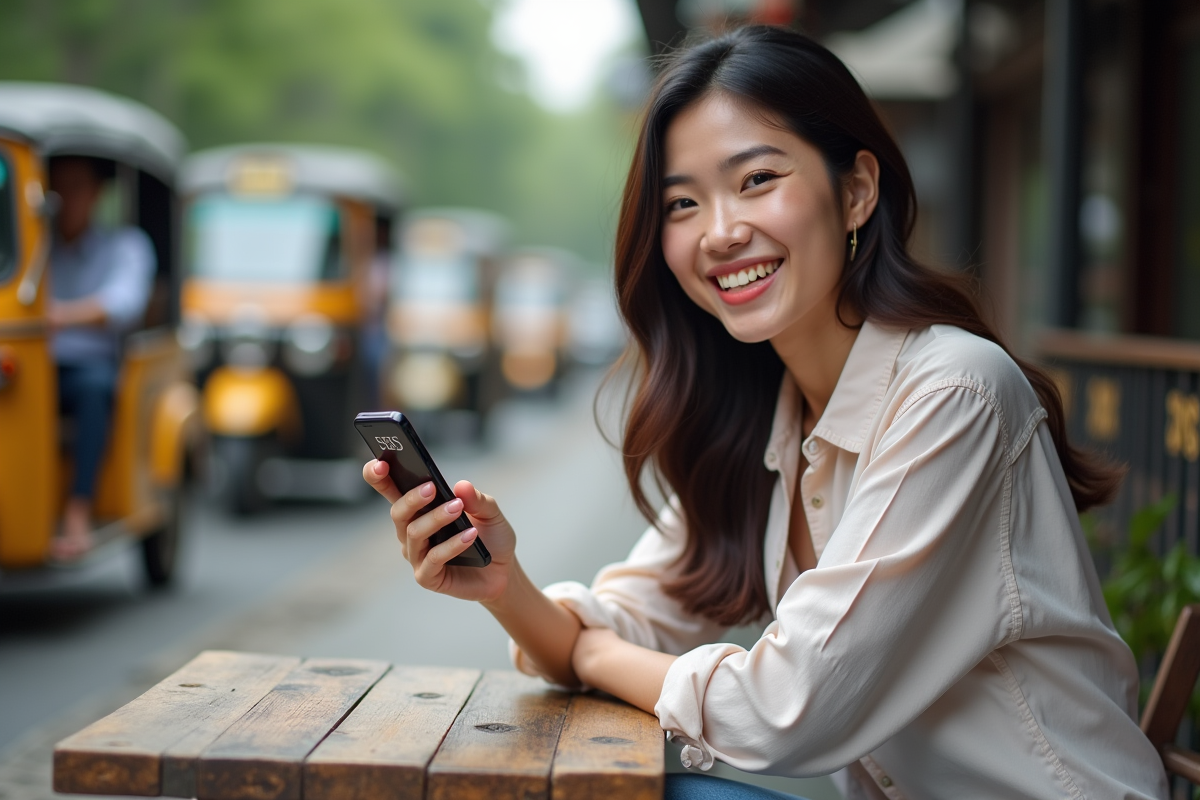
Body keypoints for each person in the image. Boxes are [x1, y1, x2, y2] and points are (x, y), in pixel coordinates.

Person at [363, 26, 1169, 800]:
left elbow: (784, 712)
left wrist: (593, 654)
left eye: (757, 180)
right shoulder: (774, 414)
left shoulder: (952, 394)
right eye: (682, 204)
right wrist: (503, 585)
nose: (720, 232)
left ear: (855, 191)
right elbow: (633, 614)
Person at [47, 156, 155, 560]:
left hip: (91, 366)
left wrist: (61, 316)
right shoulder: (31, 247)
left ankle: (78, 511)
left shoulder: (124, 246)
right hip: (39, 365)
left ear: (96, 194)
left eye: (75, 188)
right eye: (56, 189)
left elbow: (124, 304)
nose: (64, 199)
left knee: (94, 389)